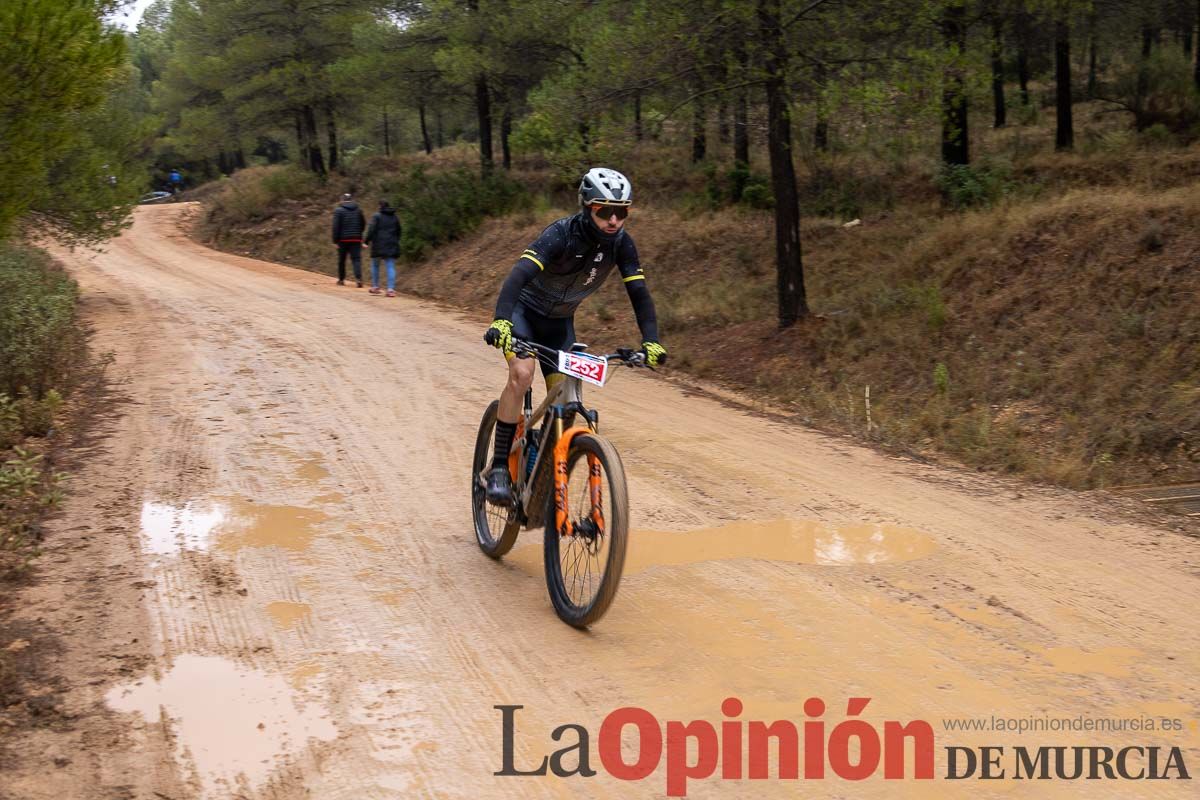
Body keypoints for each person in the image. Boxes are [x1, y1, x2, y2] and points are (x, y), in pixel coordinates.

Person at [482, 167, 667, 505]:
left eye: (621, 212)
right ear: (586, 207)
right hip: (525, 315)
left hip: (560, 324)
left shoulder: (623, 245)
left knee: (565, 401)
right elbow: (518, 276)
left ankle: (538, 463)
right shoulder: (561, 234)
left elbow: (639, 294)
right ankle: (497, 468)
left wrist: (650, 340)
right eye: (604, 211)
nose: (614, 220)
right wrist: (502, 321)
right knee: (521, 375)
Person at [364, 199, 402, 297]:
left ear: (380, 206)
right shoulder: (395, 217)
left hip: (378, 245)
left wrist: (366, 241)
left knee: (375, 265)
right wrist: (395, 240)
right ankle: (390, 290)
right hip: (391, 244)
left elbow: (371, 229)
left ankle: (375, 287)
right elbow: (399, 231)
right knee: (390, 266)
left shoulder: (377, 216)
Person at [331, 192, 366, 287]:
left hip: (343, 240)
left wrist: (335, 240)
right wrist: (358, 233)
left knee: (342, 260)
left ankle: (341, 280)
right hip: (356, 239)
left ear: (342, 200)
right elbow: (363, 224)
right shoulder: (359, 210)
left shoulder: (339, 210)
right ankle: (359, 279)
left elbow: (335, 227)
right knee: (356, 260)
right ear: (351, 200)